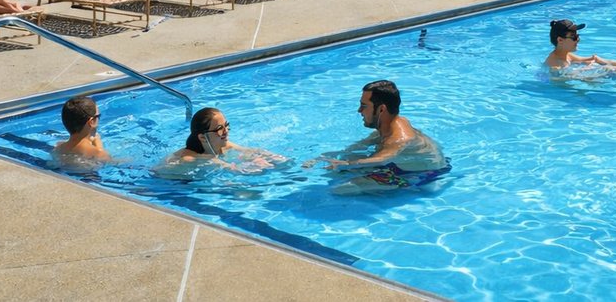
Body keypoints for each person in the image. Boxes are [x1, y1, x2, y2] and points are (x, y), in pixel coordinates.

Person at [316, 80, 449, 191]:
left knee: (340, 189)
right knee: (345, 162)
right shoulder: (394, 123)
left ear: (381, 109)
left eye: (364, 106)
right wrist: (324, 157)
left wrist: (345, 164)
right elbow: (359, 147)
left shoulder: (399, 138)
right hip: (401, 165)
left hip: (421, 176)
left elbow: (381, 160)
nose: (359, 110)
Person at [163, 107, 285, 172]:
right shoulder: (189, 157)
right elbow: (228, 167)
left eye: (226, 125)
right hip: (173, 186)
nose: (226, 131)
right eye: (219, 129)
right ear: (202, 137)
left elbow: (250, 151)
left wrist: (274, 158)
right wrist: (252, 166)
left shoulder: (224, 145)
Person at [52, 95, 112, 165]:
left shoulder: (57, 148)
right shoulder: (99, 154)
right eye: (98, 116)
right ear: (92, 122)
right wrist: (99, 147)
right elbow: (116, 163)